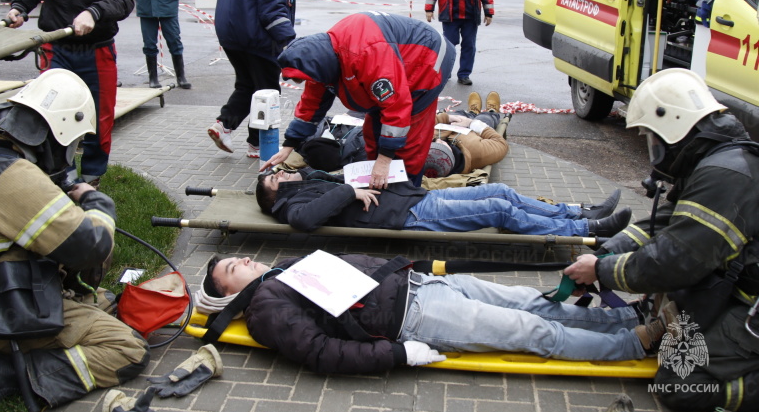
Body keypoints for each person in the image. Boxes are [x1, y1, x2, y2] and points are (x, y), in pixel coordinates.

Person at [563, 69, 759, 412]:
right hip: (737, 289)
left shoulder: (725, 176)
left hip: (749, 303)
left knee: (679, 384)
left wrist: (602, 271)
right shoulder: (715, 160)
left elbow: (673, 261)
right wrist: (607, 253)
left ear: (675, 127)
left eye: (652, 138)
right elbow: (662, 224)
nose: (654, 151)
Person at [0, 69, 149, 412]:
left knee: (102, 301)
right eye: (73, 143)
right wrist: (97, 202)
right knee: (126, 348)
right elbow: (90, 247)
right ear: (56, 133)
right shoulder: (15, 178)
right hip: (0, 312)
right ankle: (13, 372)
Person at [199, 251, 663, 375]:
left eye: (235, 258)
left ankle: (622, 319)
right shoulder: (265, 307)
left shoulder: (284, 271)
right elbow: (322, 353)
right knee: (532, 330)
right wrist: (400, 356)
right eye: (229, 270)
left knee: (532, 302)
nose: (240, 262)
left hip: (422, 284)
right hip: (416, 319)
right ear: (229, 295)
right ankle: (633, 343)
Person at [6, 0, 135, 186]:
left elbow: (124, 0)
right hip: (57, 48)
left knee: (100, 117)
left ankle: (91, 177)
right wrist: (19, 8)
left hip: (96, 51)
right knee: (50, 112)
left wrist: (94, 12)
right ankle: (60, 174)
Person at [261, 11, 457, 187]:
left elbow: (397, 107)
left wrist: (384, 160)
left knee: (409, 140)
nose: (301, 83)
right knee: (372, 134)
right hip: (392, 60)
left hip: (426, 59)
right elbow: (311, 106)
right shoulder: (320, 62)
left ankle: (407, 192)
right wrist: (289, 144)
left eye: (300, 79)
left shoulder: (366, 53)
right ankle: (378, 184)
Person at [255, 166, 630, 237]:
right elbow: (305, 221)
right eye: (276, 178)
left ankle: (577, 212)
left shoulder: (308, 183)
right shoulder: (290, 207)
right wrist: (350, 190)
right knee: (500, 211)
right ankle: (586, 231)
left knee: (502, 193)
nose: (284, 173)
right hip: (408, 215)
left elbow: (338, 182)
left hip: (414, 198)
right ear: (275, 195)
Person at [209, 0, 302, 158]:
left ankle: (223, 125)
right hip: (256, 38)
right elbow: (273, 10)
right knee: (268, 91)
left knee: (248, 84)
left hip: (231, 35)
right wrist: (289, 44)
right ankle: (257, 144)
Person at [427, 90, 507, 177]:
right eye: (442, 145)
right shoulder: (477, 152)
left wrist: (445, 118)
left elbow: (420, 124)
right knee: (486, 118)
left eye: (434, 143)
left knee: (457, 114)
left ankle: (472, 112)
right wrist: (472, 123)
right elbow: (501, 144)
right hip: (475, 131)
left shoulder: (426, 144)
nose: (438, 140)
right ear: (450, 154)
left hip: (449, 125)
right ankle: (492, 112)